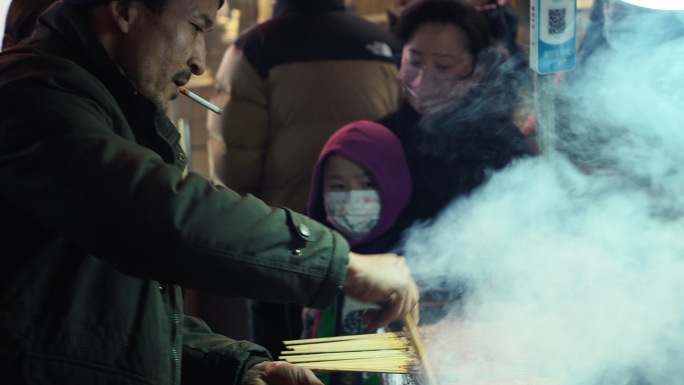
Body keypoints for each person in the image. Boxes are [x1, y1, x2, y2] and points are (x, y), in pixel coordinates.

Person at [0, 0, 420, 384]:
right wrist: (338, 262)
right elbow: (155, 210)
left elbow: (109, 318)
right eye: (197, 27)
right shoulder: (28, 94)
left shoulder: (108, 112)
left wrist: (237, 366)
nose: (199, 62)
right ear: (125, 9)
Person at [208, 0, 403, 358]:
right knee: (370, 357)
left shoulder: (255, 47)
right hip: (373, 239)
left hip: (285, 240)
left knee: (283, 358)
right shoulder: (384, 44)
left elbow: (234, 163)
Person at [377, 0, 531, 228]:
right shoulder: (379, 139)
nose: (422, 80)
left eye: (443, 66)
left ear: (479, 71)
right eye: (414, 61)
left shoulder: (502, 145)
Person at [301, 120, 412, 385]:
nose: (352, 197)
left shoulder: (410, 262)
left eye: (366, 183)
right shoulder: (310, 258)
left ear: (394, 185)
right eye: (338, 186)